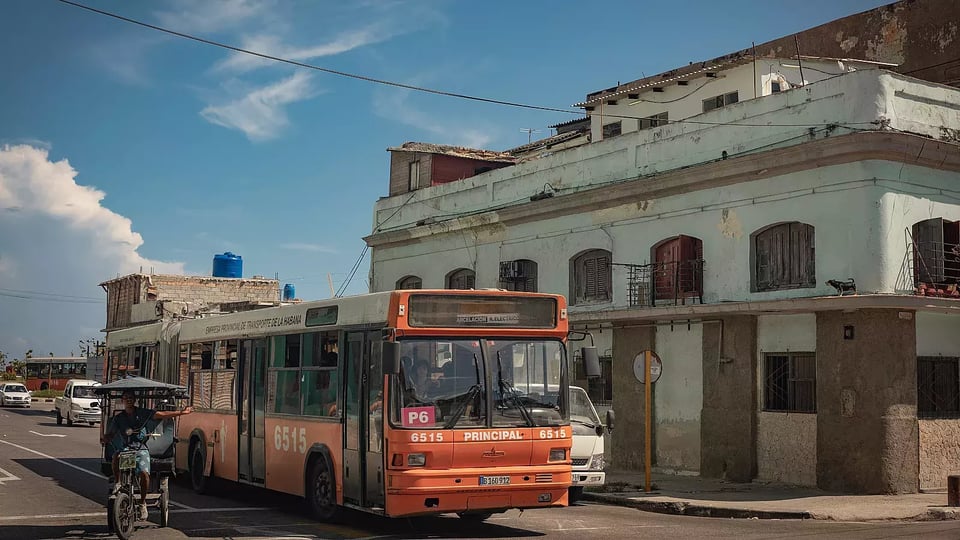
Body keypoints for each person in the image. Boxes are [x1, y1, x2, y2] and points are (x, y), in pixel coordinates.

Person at [101, 391, 193, 521]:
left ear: (135, 400)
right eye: (126, 398)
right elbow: (111, 433)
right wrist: (105, 438)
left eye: (131, 397)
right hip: (125, 448)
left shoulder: (143, 413)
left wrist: (182, 412)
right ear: (122, 400)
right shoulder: (118, 418)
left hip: (140, 448)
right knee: (116, 456)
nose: (128, 400)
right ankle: (118, 482)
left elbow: (161, 415)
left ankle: (142, 503)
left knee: (144, 473)